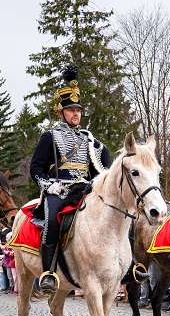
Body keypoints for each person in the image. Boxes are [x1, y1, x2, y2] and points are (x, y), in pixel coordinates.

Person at [29, 65, 112, 295]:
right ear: (61, 112)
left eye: (78, 110)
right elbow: (35, 168)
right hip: (60, 190)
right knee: (53, 220)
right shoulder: (50, 137)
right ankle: (47, 272)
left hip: (85, 189)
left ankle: (125, 265)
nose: (76, 114)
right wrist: (48, 185)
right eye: (71, 110)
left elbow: (100, 170)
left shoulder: (90, 141)